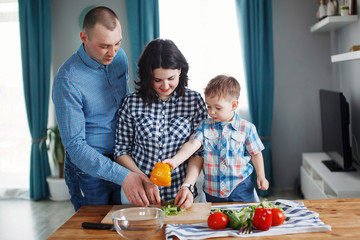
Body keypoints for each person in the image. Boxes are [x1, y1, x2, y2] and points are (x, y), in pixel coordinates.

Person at [52, 6, 152, 211]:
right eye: (104, 46)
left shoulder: (119, 58)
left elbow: (126, 107)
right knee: (94, 227)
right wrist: (124, 175)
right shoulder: (67, 80)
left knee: (115, 223)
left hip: (120, 158)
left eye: (117, 43)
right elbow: (75, 147)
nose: (112, 52)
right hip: (87, 171)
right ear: (84, 37)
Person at [114, 39, 208, 209]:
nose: (165, 86)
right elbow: (121, 151)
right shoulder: (131, 103)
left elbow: (199, 152)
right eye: (157, 80)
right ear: (147, 76)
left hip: (180, 194)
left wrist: (188, 185)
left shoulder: (194, 101)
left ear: (180, 71)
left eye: (171, 78)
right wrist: (143, 179)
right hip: (139, 194)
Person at [163, 75, 269, 203]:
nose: (211, 112)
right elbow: (192, 144)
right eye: (209, 106)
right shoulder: (204, 126)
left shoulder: (247, 128)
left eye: (218, 108)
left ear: (234, 105)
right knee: (216, 220)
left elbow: (256, 154)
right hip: (212, 190)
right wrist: (174, 161)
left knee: (244, 218)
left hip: (240, 186)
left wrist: (261, 176)